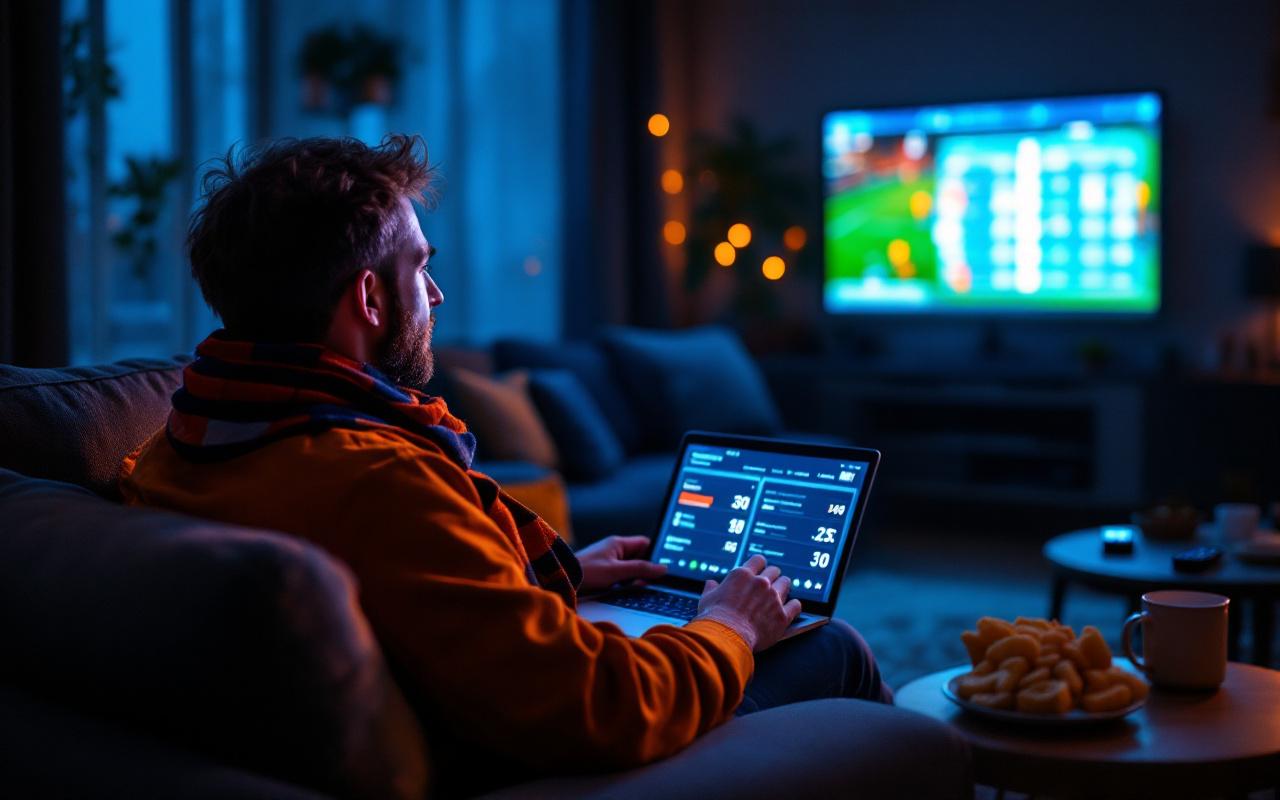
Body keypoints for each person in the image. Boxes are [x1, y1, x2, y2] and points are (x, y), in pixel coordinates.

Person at [119, 135, 890, 794]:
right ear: (371, 300)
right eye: (420, 267)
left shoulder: (183, 441)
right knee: (830, 645)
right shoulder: (380, 480)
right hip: (505, 762)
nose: (437, 293)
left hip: (432, 719)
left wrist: (554, 572)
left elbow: (402, 589)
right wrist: (728, 622)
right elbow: (604, 707)